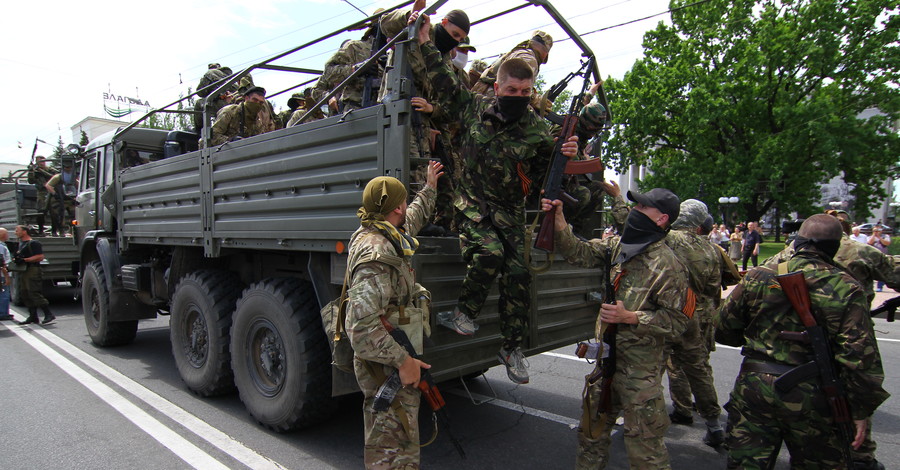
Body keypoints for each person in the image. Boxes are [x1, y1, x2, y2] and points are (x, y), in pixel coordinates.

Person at [414, 12, 579, 384]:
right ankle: (464, 313)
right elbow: (442, 82)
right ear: (499, 87)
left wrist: (567, 151)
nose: (518, 98)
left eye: (525, 93)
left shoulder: (537, 129)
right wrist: (426, 42)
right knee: (490, 254)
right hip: (472, 204)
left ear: (531, 90)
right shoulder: (473, 107)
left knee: (519, 273)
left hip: (511, 211)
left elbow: (547, 172)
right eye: (511, 91)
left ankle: (512, 347)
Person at [716, 214, 889, 468]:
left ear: (797, 242)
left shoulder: (760, 275)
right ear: (834, 247)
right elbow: (861, 358)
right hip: (814, 394)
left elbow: (723, 330)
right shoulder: (846, 286)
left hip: (755, 388)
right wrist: (861, 409)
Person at [542, 188, 693, 469]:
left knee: (646, 453)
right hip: (605, 367)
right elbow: (579, 252)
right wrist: (559, 219)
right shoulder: (619, 247)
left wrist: (632, 317)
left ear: (661, 219)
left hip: (639, 377)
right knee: (590, 439)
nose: (634, 210)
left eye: (642, 207)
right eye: (635, 205)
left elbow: (678, 322)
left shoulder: (670, 266)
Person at [345, 161, 442, 469]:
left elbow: (411, 219)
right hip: (386, 364)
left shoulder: (378, 229)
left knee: (397, 440)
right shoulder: (378, 253)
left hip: (389, 356)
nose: (405, 208)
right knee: (392, 451)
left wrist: (429, 188)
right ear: (397, 207)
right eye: (404, 200)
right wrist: (404, 362)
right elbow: (359, 328)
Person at [662, 199, 725, 447]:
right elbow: (712, 289)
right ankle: (714, 425)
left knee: (655, 366)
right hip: (694, 313)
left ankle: (672, 413)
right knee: (698, 370)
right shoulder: (711, 249)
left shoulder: (668, 239)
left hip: (667, 311)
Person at [471, 30, 554, 111]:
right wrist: (535, 99)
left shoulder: (518, 53)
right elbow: (517, 85)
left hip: (481, 98)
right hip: (491, 102)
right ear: (545, 52)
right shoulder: (529, 59)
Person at [13, 225, 56, 325]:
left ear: (24, 232)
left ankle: (48, 314)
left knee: (34, 293)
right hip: (23, 270)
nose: (15, 232)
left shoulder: (34, 243)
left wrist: (25, 260)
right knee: (25, 293)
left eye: (17, 230)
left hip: (32, 270)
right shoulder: (20, 244)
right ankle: (33, 316)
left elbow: (40, 257)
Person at [209, 86, 276, 146]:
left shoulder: (257, 123)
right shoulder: (229, 112)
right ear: (246, 98)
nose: (257, 104)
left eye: (261, 102)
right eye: (254, 100)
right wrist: (231, 141)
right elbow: (213, 136)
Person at [45, 157, 78, 236]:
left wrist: (76, 195)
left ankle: (72, 231)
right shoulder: (58, 177)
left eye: (70, 167)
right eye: (66, 167)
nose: (68, 169)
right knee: (57, 216)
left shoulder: (73, 177)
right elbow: (48, 185)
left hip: (69, 198)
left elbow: (78, 185)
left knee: (74, 215)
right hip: (58, 199)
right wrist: (54, 194)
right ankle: (56, 231)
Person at [27, 155, 57, 235]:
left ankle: (54, 231)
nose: (42, 164)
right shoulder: (35, 171)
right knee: (41, 213)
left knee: (54, 213)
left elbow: (54, 177)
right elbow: (31, 181)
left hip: (51, 192)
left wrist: (41, 171)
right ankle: (41, 231)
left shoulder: (50, 170)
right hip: (41, 193)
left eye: (43, 161)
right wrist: (31, 171)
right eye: (39, 162)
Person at [868, 226, 891, 292]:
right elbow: (869, 243)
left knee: (881, 271)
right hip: (872, 256)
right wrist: (874, 235)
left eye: (878, 230)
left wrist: (879, 237)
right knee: (870, 271)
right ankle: (870, 287)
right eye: (875, 230)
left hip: (883, 256)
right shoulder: (870, 236)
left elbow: (887, 243)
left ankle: (879, 286)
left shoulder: (885, 236)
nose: (876, 232)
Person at [0, 228, 11, 321]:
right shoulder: (1, 246)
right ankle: (3, 313)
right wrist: (6, 276)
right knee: (4, 294)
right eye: (6, 234)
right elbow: (1, 263)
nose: (8, 235)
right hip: (2, 275)